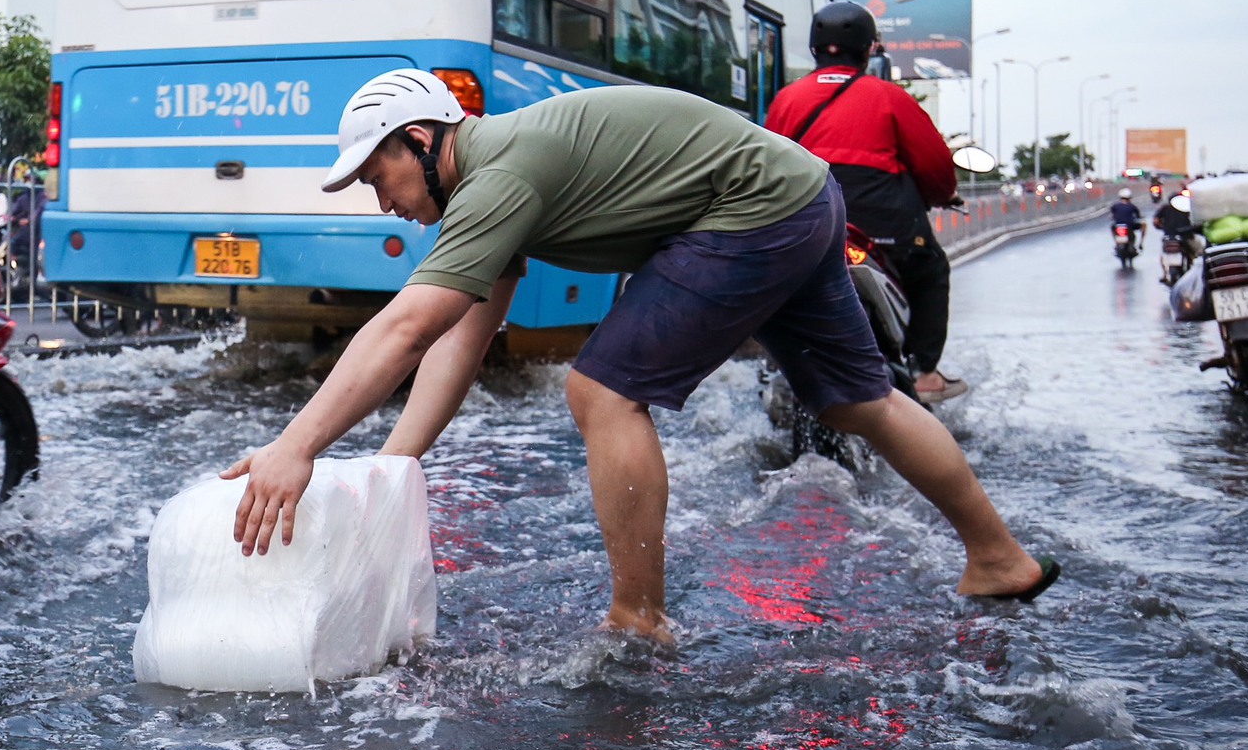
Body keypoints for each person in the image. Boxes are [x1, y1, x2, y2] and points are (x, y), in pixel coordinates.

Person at [223, 71, 1061, 649]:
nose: (384, 202)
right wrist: (393, 466)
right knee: (857, 398)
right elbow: (459, 337)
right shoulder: (497, 175)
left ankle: (639, 618)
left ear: (419, 137)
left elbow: (405, 326)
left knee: (602, 388)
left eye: (379, 176)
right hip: (804, 194)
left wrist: (297, 446)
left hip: (757, 208)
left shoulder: (497, 174)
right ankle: (998, 558)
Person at [764, 1, 965, 405]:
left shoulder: (787, 100)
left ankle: (774, 369)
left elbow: (768, 166)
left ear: (815, 48)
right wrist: (944, 195)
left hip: (809, 226)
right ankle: (924, 371)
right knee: (931, 270)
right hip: (885, 226)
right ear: (869, 48)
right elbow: (934, 164)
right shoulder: (889, 96)